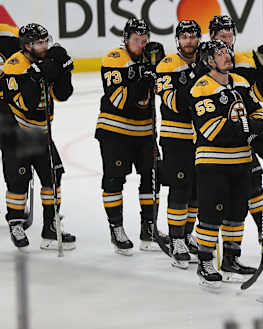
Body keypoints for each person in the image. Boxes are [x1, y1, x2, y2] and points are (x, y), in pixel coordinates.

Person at [190, 40, 263, 288]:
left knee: (237, 212)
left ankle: (231, 259)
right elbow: (214, 130)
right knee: (211, 213)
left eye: (227, 51)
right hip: (213, 162)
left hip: (241, 161)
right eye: (220, 53)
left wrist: (256, 134)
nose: (227, 55)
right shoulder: (202, 88)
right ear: (209, 61)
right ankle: (205, 262)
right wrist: (249, 127)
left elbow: (257, 111)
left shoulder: (240, 82)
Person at [2, 23, 75, 250]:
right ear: (26, 46)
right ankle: (15, 222)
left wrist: (63, 71)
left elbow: (62, 95)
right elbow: (27, 105)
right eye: (39, 43)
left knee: (53, 176)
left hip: (42, 133)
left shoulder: (42, 61)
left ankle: (50, 226)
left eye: (46, 41)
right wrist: (39, 73)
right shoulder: (14, 66)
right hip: (19, 132)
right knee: (18, 181)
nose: (44, 46)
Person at [95, 17, 165, 256]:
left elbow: (164, 92)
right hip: (115, 131)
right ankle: (116, 228)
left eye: (145, 41)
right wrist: (143, 77)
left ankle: (149, 229)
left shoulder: (149, 58)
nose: (141, 45)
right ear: (126, 40)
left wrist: (159, 69)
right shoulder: (114, 59)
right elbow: (120, 100)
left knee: (152, 177)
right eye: (136, 40)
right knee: (114, 180)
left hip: (144, 133)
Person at [209, 15, 263, 246]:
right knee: (202, 195)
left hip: (241, 135)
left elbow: (256, 98)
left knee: (253, 178)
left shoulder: (244, 61)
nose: (227, 41)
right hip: (213, 139)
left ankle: (261, 228)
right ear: (212, 37)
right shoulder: (207, 62)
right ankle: (191, 239)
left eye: (230, 36)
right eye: (222, 36)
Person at [155, 20, 201, 268]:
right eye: (184, 37)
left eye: (193, 36)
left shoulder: (206, 62)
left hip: (200, 138)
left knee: (195, 190)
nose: (189, 42)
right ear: (177, 40)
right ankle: (175, 240)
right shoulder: (168, 65)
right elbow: (174, 103)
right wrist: (195, 74)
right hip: (176, 137)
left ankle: (185, 233)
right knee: (180, 187)